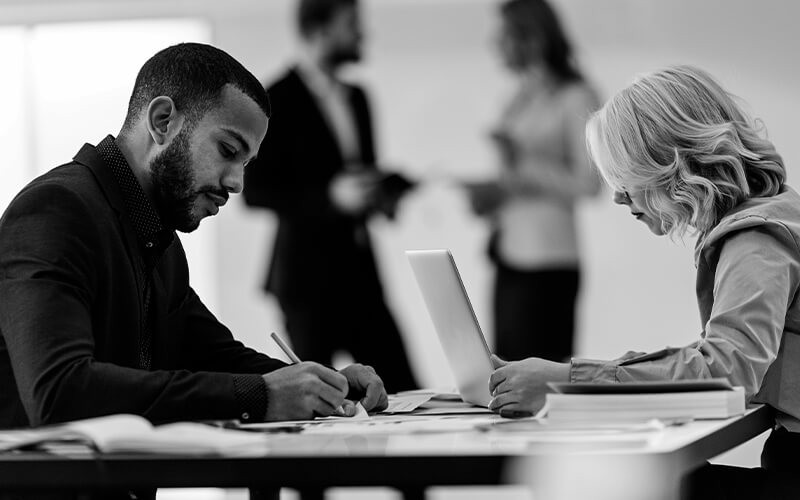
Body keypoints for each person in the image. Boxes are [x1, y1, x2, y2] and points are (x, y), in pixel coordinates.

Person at [0, 42, 387, 500]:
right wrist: (261, 395)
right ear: (163, 121)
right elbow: (60, 392)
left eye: (245, 163)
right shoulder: (56, 210)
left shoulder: (155, 237)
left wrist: (323, 385)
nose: (236, 183)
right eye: (228, 150)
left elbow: (215, 355)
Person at [488, 65, 800, 498]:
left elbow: (729, 371)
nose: (618, 196)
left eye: (624, 176)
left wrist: (568, 383)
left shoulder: (756, 238)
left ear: (669, 161)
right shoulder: (774, 214)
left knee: (619, 481)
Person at [243, 0, 418, 394]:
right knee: (317, 396)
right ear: (319, 29)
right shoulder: (275, 99)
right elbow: (255, 191)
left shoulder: (358, 97)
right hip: (305, 279)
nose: (361, 33)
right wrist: (330, 198)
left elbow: (360, 172)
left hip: (360, 272)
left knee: (401, 389)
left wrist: (382, 192)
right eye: (351, 23)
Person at [465, 0, 600, 363]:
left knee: (542, 373)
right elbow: (513, 179)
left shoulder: (576, 97)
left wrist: (525, 172)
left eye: (504, 36)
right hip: (508, 255)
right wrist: (491, 196)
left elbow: (591, 183)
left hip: (548, 260)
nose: (496, 45)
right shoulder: (515, 100)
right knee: (503, 371)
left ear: (532, 38)